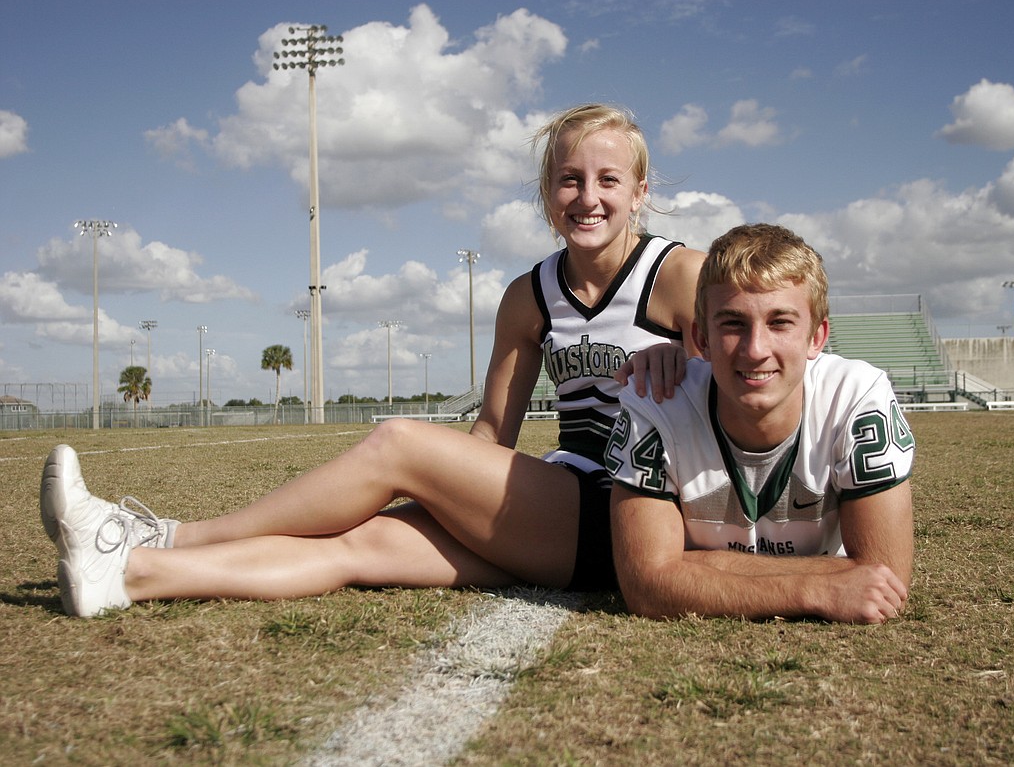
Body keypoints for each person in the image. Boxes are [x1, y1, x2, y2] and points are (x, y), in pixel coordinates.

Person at [40, 103, 706, 618]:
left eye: (608, 179)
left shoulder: (678, 274)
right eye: (570, 178)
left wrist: (688, 359)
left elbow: (751, 380)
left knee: (398, 442)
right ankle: (125, 574)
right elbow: (490, 439)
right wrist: (448, 497)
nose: (588, 196)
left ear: (640, 190)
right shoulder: (527, 296)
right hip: (555, 509)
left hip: (630, 514)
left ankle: (169, 536)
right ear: (546, 191)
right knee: (360, 546)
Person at [605, 223, 913, 624]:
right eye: (733, 323)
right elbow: (646, 586)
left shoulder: (855, 397)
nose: (755, 350)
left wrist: (693, 567)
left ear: (816, 337)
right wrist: (815, 587)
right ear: (703, 337)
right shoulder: (657, 403)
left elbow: (883, 580)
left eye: (780, 322)